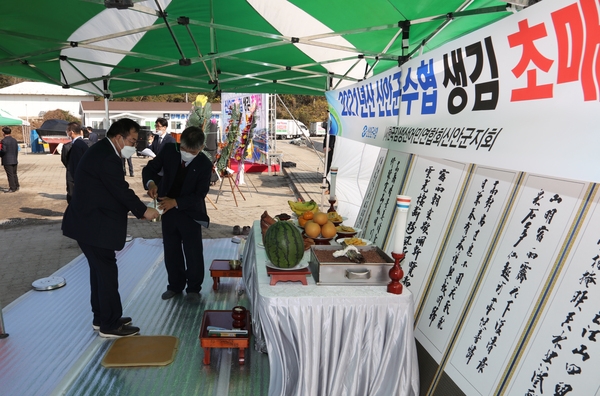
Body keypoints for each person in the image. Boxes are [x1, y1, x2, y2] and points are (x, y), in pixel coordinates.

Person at [62, 118, 159, 338]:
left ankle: (102, 317)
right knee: (106, 273)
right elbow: (120, 190)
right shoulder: (106, 156)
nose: (134, 146)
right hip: (92, 226)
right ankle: (110, 324)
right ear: (118, 138)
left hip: (89, 223)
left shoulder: (105, 150)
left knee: (99, 272)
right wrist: (144, 211)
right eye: (132, 141)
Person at [142, 126, 212, 302]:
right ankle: (174, 286)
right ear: (180, 143)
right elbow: (149, 170)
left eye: (192, 151)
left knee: (193, 250)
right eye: (184, 149)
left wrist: (177, 202)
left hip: (190, 212)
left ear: (201, 148)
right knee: (171, 249)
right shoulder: (169, 150)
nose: (186, 153)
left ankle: (194, 288)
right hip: (167, 209)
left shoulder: (204, 163)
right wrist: (151, 184)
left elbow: (200, 194)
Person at [61, 122, 88, 203]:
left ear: (71, 132)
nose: (67, 132)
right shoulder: (80, 143)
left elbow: (76, 163)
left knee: (74, 199)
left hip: (74, 178)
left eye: (67, 130)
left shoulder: (77, 145)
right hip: (77, 177)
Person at [0, 126, 19, 193]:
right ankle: (16, 185)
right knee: (14, 173)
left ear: (3, 133)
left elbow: (3, 150)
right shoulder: (14, 140)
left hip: (7, 160)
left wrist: (1, 154)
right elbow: (16, 150)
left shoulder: (3, 141)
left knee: (10, 174)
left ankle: (12, 187)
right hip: (14, 159)